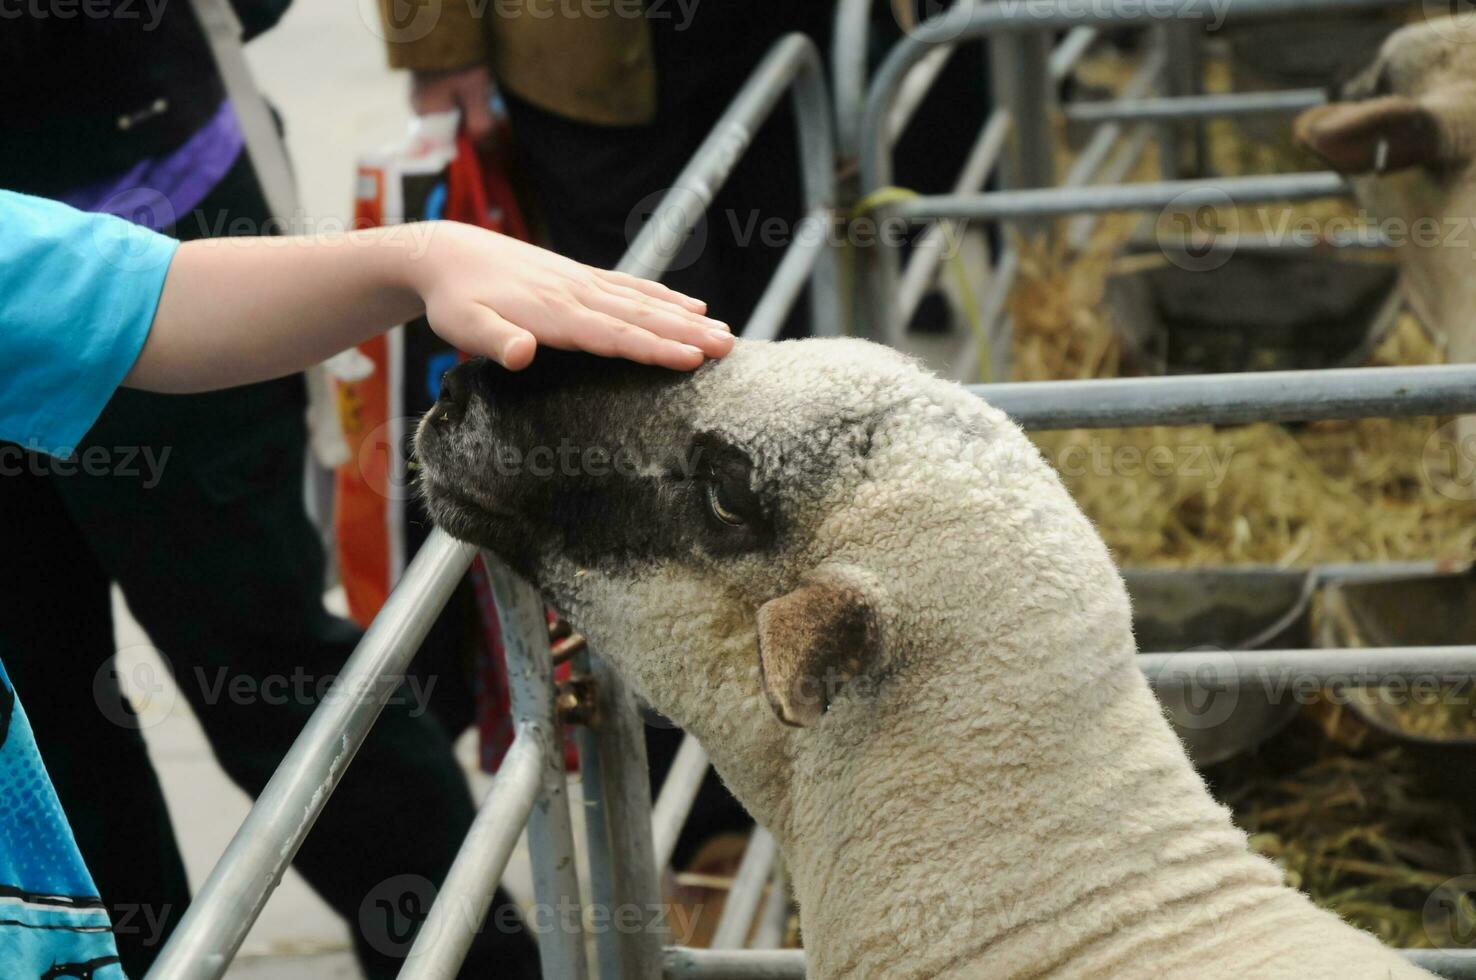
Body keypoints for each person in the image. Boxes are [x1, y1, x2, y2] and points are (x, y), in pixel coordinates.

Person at [0, 187, 729, 978]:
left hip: (135, 175)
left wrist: (418, 256)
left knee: (265, 670)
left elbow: (122, 294)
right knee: (59, 711)